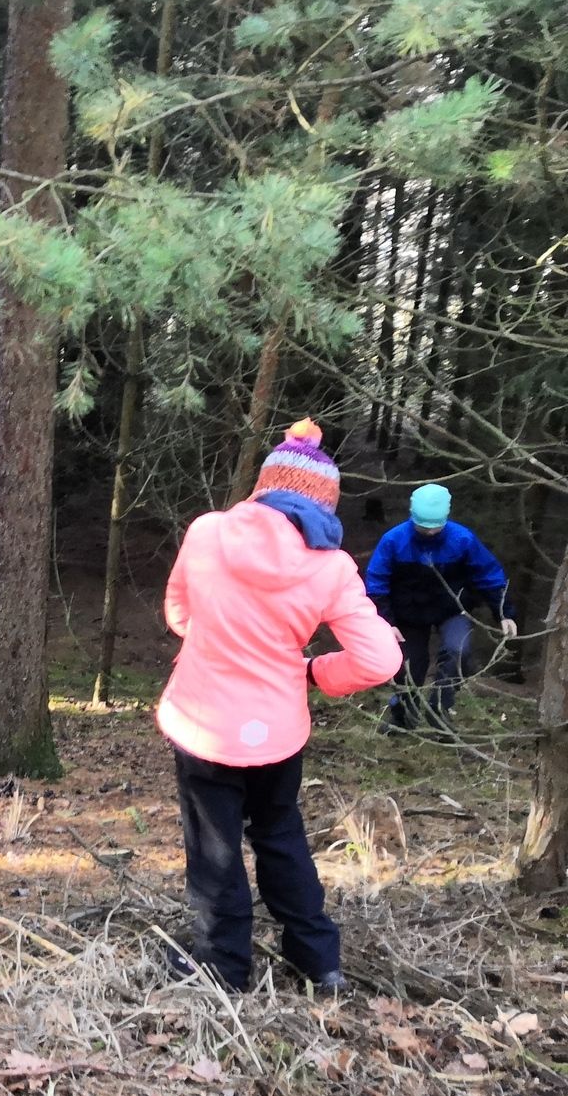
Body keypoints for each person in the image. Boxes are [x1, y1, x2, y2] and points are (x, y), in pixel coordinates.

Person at [156, 421, 403, 995]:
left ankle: (223, 967)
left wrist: (217, 638)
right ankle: (319, 960)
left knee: (214, 848)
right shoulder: (331, 567)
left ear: (264, 487)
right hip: (277, 731)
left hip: (203, 724)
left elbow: (178, 612)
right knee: (280, 835)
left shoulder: (208, 532)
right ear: (324, 505)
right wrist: (315, 671)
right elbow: (380, 660)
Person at [364, 482, 518, 735]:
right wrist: (386, 622)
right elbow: (376, 582)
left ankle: (439, 709)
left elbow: (488, 575)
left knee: (459, 651)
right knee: (408, 665)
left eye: (435, 527)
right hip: (407, 613)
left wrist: (504, 612)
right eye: (423, 526)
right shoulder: (394, 540)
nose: (429, 532)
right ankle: (402, 718)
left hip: (452, 609)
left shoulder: (462, 539)